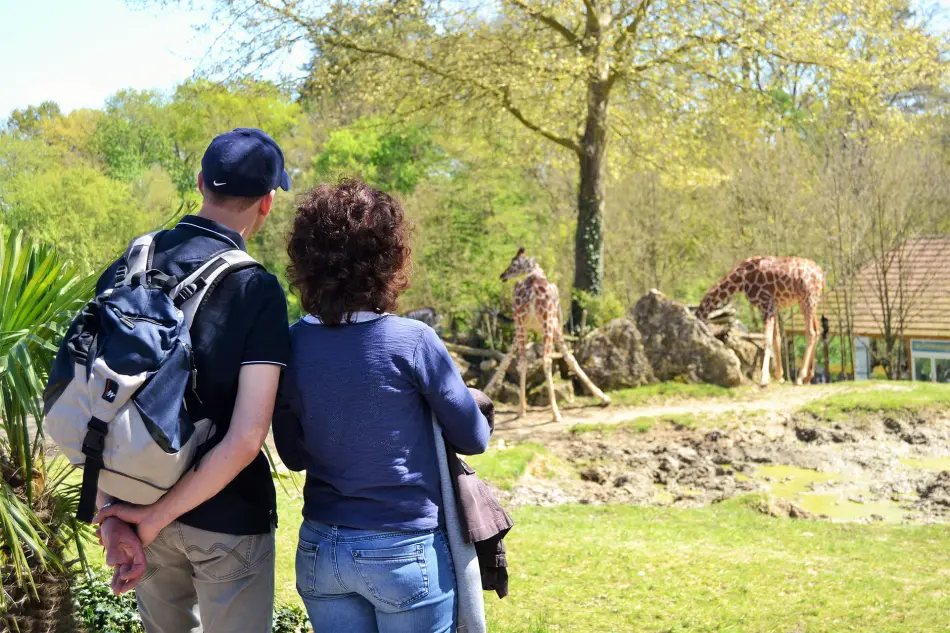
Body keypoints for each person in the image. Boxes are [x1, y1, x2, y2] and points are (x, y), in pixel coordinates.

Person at [94, 128, 292, 633]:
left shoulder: (128, 267)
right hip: (227, 516)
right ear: (267, 203)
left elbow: (89, 398)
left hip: (134, 503)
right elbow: (246, 438)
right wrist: (156, 517)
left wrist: (115, 514)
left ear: (201, 183)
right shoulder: (256, 289)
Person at [272, 179, 491, 633]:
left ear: (306, 261)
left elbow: (292, 455)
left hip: (321, 548)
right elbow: (474, 438)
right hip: (403, 549)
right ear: (388, 258)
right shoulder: (414, 342)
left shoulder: (289, 345)